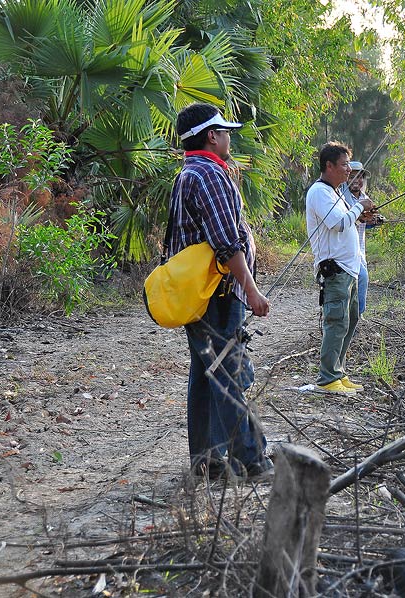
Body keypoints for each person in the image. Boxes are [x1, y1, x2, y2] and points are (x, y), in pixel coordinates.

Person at [169, 102, 273, 480]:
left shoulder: (189, 173)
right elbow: (227, 245)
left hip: (199, 297)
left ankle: (208, 460)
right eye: (225, 131)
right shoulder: (209, 176)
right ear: (212, 136)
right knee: (229, 373)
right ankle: (252, 460)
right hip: (218, 295)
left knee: (205, 372)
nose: (230, 137)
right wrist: (253, 290)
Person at [306, 143, 375, 395]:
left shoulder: (335, 193)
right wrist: (360, 207)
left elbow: (347, 220)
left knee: (351, 318)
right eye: (345, 164)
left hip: (350, 268)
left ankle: (338, 370)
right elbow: (338, 223)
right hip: (334, 269)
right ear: (329, 166)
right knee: (336, 320)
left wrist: (361, 213)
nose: (349, 170)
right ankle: (327, 378)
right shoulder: (320, 192)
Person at [340, 160, 383, 315]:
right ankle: (352, 316)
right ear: (346, 177)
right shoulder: (340, 197)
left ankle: (357, 316)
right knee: (360, 278)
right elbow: (343, 220)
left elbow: (365, 223)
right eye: (352, 176)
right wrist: (361, 217)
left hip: (359, 250)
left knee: (362, 281)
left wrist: (374, 221)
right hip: (343, 251)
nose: (356, 180)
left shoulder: (366, 199)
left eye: (360, 177)